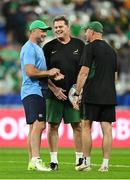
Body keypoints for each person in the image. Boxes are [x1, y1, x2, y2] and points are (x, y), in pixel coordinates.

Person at [40, 15, 85, 171]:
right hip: (54, 95)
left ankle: (80, 159)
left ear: (68, 27)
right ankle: (54, 161)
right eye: (56, 27)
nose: (58, 29)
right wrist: (54, 88)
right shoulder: (48, 47)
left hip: (74, 95)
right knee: (52, 126)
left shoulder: (80, 45)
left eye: (61, 27)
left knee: (77, 126)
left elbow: (84, 71)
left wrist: (78, 91)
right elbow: (42, 72)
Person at [73, 21, 117, 172]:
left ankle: (86, 162)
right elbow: (115, 76)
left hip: (92, 93)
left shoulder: (89, 47)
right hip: (109, 94)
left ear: (92, 32)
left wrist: (77, 92)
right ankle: (105, 164)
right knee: (107, 128)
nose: (85, 34)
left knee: (86, 126)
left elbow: (84, 72)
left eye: (86, 31)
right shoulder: (112, 51)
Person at [20, 20, 64, 171]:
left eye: (45, 30)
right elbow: (31, 72)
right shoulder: (29, 48)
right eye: (42, 30)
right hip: (33, 90)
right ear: (33, 31)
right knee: (39, 124)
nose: (45, 33)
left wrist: (54, 85)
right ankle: (36, 160)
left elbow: (41, 75)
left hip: (37, 90)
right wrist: (49, 72)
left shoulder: (37, 49)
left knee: (34, 127)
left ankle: (32, 162)